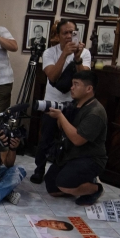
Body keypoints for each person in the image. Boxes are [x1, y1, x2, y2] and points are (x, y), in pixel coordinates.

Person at [32, 19, 90, 183]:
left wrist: (77, 57)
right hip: (52, 102)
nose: (69, 36)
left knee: (70, 140)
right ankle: (39, 169)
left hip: (73, 104)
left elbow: (84, 78)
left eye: (72, 32)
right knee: (46, 139)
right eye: (65, 33)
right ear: (57, 35)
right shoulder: (50, 52)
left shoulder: (85, 53)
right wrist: (64, 54)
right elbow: (52, 76)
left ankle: (65, 170)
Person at [43, 69, 107, 205]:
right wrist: (59, 116)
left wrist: (60, 116)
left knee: (64, 184)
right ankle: (78, 184)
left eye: (76, 84)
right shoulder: (74, 105)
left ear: (89, 88)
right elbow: (63, 129)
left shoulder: (95, 112)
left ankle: (95, 188)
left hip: (90, 158)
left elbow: (78, 140)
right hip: (70, 154)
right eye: (72, 84)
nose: (71, 88)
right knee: (52, 188)